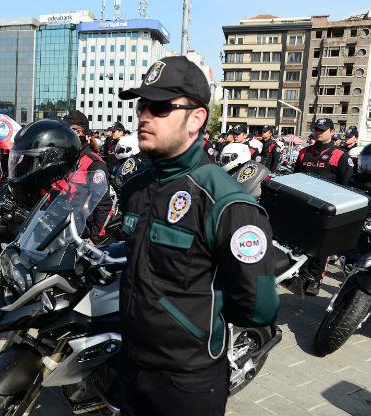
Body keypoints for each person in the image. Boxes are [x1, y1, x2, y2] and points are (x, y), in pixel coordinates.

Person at [116, 56, 278, 416]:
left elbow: (258, 306)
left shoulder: (226, 203)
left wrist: (191, 320)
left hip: (187, 381)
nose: (143, 115)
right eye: (142, 105)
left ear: (197, 118)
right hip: (129, 363)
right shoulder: (136, 187)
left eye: (159, 107)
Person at [294, 118, 353, 295]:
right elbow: (295, 178)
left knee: (321, 246)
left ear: (332, 132)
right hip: (304, 204)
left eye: (323, 129)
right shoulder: (304, 153)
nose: (319, 132)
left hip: (327, 208)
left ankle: (315, 279)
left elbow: (347, 184)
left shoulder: (341, 155)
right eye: (317, 129)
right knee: (301, 241)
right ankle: (300, 273)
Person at [61, 110, 114, 242]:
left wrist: (94, 238)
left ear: (79, 132)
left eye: (66, 131)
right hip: (62, 227)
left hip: (81, 233)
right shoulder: (69, 158)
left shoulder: (93, 163)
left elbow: (104, 204)